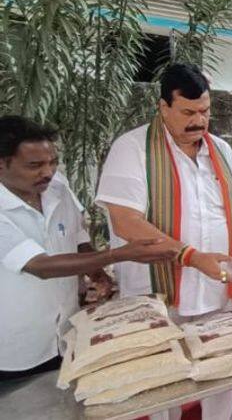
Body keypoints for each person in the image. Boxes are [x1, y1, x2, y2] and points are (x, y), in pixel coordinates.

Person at [96, 63, 232, 420]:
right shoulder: (132, 148)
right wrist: (191, 256)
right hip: (158, 295)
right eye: (187, 112)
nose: (199, 121)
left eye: (205, 111)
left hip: (218, 291)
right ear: (163, 106)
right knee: (161, 387)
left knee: (224, 376)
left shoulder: (222, 152)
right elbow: (125, 222)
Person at [0, 116, 173, 381]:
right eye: (34, 165)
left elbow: (78, 236)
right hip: (16, 349)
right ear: (2, 164)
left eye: (52, 162)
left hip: (67, 334)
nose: (47, 172)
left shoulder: (57, 187)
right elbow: (40, 266)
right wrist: (120, 254)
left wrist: (98, 272)